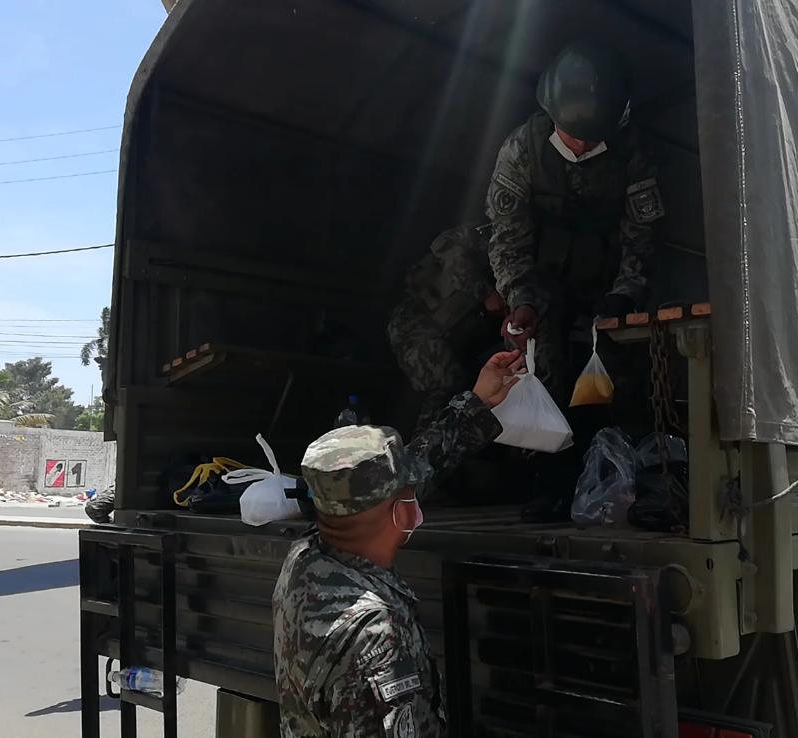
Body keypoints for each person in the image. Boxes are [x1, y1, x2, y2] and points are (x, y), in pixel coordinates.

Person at [273, 351, 522, 738]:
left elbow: (416, 468)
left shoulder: (306, 558)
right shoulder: (375, 637)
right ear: (401, 513)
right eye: (409, 495)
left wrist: (478, 400)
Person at [485, 40, 665, 520]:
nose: (582, 146)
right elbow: (508, 239)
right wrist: (520, 301)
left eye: (592, 137)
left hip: (608, 282)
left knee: (618, 373)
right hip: (543, 282)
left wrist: (625, 294)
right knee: (546, 371)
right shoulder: (522, 149)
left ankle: (625, 480)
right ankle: (551, 485)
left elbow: (641, 235)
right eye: (573, 136)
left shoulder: (631, 153)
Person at [388, 224, 507, 434]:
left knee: (457, 384)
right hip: (415, 326)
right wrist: (487, 294)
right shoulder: (457, 241)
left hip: (451, 327)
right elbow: (455, 261)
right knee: (444, 385)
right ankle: (423, 451)